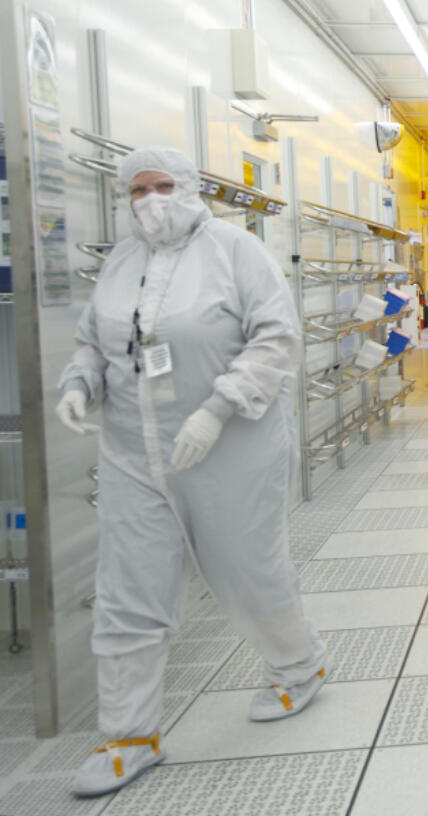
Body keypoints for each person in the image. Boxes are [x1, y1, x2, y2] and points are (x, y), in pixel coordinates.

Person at [55, 146, 328, 797]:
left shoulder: (235, 251)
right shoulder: (123, 261)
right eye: (137, 189)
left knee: (246, 571)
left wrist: (216, 409)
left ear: (190, 188)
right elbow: (95, 339)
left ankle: (299, 666)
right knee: (128, 588)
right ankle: (130, 733)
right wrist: (79, 383)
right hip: (133, 453)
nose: (150, 199)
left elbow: (277, 337)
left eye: (163, 185)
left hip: (231, 446)